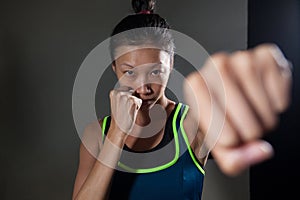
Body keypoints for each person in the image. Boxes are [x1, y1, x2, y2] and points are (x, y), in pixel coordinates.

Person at [72, 0, 292, 199]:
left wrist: (256, 88)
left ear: (171, 64)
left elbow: (244, 127)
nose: (144, 87)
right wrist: (117, 133)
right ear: (114, 69)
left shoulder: (193, 125)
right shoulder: (96, 134)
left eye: (156, 71)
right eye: (129, 72)